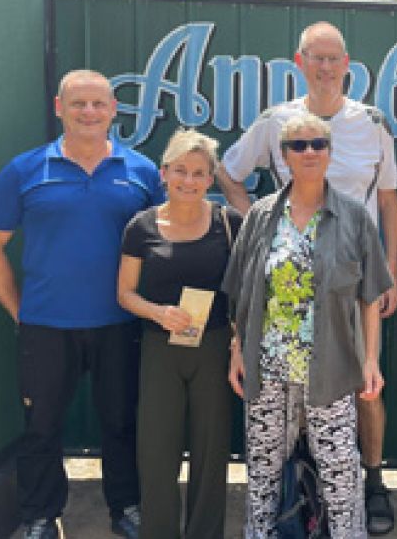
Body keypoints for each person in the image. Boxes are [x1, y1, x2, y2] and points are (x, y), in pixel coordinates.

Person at [215, 21, 397, 534]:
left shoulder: (371, 124)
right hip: (272, 356)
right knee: (264, 466)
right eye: (299, 147)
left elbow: (389, 200)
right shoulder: (264, 200)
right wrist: (237, 348)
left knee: (347, 449)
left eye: (319, 145)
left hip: (343, 321)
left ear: (347, 64)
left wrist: (388, 281)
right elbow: (244, 296)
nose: (310, 151)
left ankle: (369, 492)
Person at [0, 70, 165, 539]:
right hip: (45, 325)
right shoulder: (25, 170)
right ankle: (41, 515)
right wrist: (20, 309)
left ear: (113, 111)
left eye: (98, 104)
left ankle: (127, 508)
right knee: (41, 426)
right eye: (77, 104)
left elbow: (166, 241)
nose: (88, 113)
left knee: (122, 423)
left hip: (120, 323)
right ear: (59, 108)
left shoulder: (141, 171)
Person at [117, 129, 242, 538]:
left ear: (211, 179)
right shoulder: (141, 226)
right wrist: (158, 312)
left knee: (211, 452)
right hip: (159, 348)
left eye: (199, 173)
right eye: (180, 171)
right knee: (156, 452)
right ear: (164, 173)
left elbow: (243, 294)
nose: (189, 181)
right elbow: (124, 294)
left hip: (215, 346)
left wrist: (239, 346)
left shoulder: (229, 223)